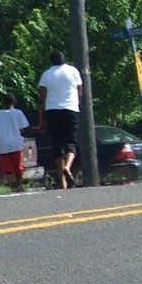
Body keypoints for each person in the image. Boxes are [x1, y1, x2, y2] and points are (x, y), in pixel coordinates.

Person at [38, 51, 83, 189]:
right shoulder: (73, 71)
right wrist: (77, 104)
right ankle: (68, 167)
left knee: (56, 144)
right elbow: (80, 91)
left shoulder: (46, 74)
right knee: (71, 142)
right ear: (64, 60)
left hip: (52, 111)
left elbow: (41, 99)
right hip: (71, 110)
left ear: (51, 61)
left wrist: (41, 119)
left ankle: (62, 181)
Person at [0, 93, 30, 192]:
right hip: (16, 144)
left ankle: (13, 185)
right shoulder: (18, 113)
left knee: (7, 168)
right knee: (18, 166)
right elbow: (24, 127)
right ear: (15, 102)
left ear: (3, 102)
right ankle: (19, 184)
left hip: (2, 146)